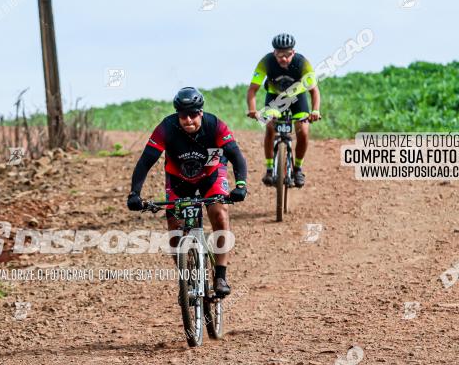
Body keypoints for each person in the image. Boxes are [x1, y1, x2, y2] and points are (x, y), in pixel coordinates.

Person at [126, 87, 248, 296]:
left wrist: (241, 185)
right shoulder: (166, 127)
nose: (188, 120)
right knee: (174, 227)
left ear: (201, 112)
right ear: (177, 115)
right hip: (178, 179)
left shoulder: (215, 126)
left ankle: (220, 275)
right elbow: (146, 161)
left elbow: (236, 156)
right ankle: (186, 277)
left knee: (219, 213)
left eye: (193, 114)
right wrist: (134, 193)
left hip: (211, 173)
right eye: (183, 116)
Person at [246, 33, 321, 188]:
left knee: (304, 130)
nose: (284, 59)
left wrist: (315, 111)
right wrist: (252, 110)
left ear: (293, 52)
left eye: (287, 55)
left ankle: (298, 168)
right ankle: (269, 168)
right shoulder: (266, 62)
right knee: (269, 127)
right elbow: (252, 89)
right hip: (275, 98)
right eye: (280, 55)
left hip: (296, 98)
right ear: (274, 53)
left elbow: (314, 91)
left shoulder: (302, 63)